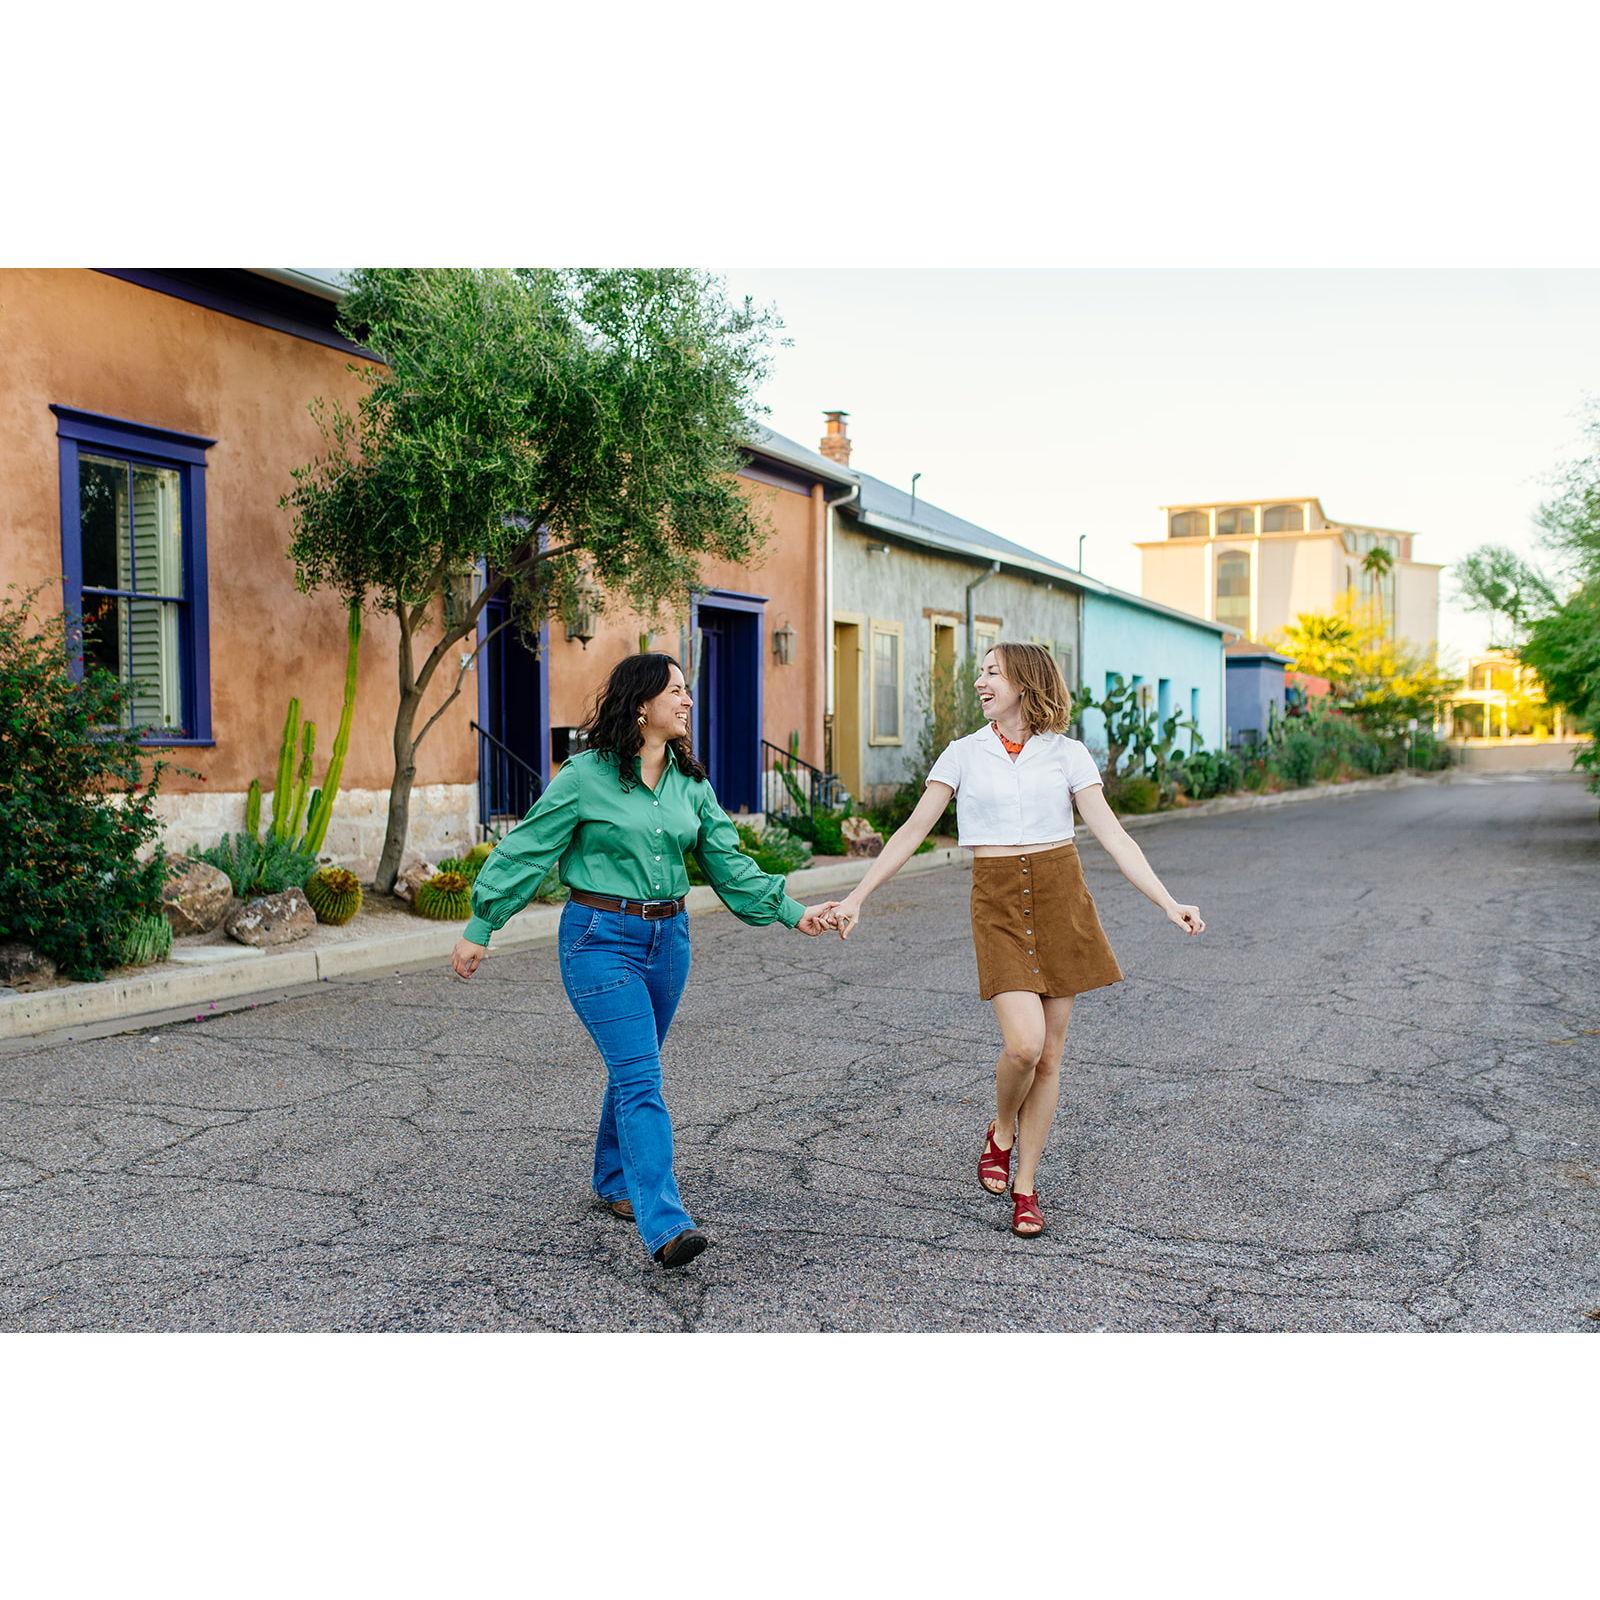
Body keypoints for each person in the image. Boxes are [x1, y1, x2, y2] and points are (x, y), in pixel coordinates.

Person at [450, 653, 838, 1270]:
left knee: (636, 1067)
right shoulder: (585, 776)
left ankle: (611, 1179)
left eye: (687, 692)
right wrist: (482, 924)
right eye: (676, 691)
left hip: (669, 943)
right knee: (641, 1078)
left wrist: (794, 911)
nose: (687, 702)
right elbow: (528, 847)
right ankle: (665, 1221)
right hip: (598, 939)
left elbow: (729, 866)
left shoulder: (691, 785)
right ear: (642, 705)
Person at [827, 643, 1205, 1239]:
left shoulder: (1066, 753)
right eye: (980, 672)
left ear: (1025, 683)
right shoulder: (963, 753)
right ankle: (1001, 1130)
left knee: (1051, 1056)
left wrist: (1167, 901)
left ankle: (1026, 1186)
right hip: (998, 899)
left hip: (1061, 898)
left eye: (992, 673)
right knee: (1024, 1046)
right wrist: (857, 897)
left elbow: (1112, 833)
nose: (980, 681)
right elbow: (912, 830)